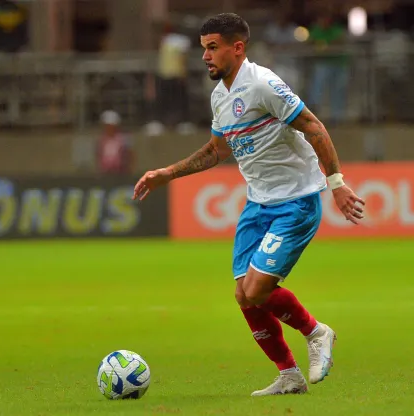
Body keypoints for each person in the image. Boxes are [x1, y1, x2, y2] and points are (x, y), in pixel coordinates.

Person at [133, 13, 365, 396]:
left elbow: (313, 126)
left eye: (212, 48)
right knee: (243, 294)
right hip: (258, 204)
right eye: (203, 48)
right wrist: (167, 173)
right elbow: (216, 150)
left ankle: (317, 332)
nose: (205, 56)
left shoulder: (263, 84)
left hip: (296, 201)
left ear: (236, 48)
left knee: (257, 290)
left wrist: (336, 183)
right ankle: (289, 375)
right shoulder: (220, 95)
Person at [97, 110, 134, 176]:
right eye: (107, 125)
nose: (109, 128)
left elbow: (130, 155)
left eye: (111, 125)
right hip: (105, 172)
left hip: (120, 172)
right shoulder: (102, 139)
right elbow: (99, 154)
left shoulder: (123, 139)